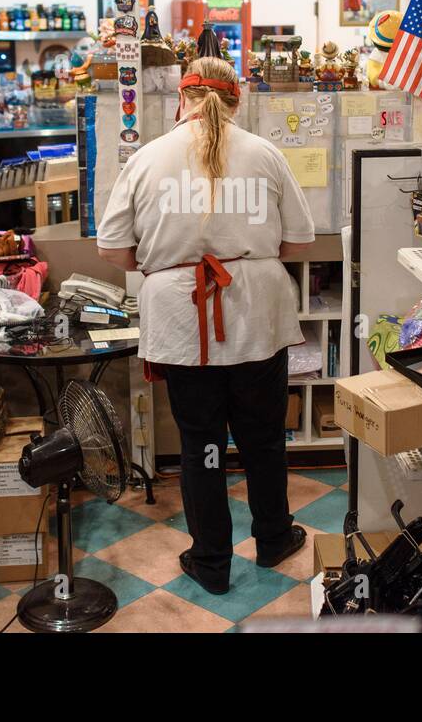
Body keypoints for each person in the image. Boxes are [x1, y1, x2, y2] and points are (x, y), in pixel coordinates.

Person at [96, 55, 314, 595]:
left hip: (179, 317)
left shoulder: (147, 158)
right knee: (263, 438)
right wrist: (249, 258)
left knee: (202, 444)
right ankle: (273, 538)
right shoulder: (264, 153)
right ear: (236, 100)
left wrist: (166, 264)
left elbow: (114, 250)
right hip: (258, 313)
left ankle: (212, 562)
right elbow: (300, 242)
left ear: (182, 100)